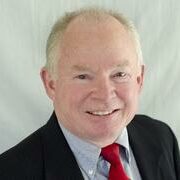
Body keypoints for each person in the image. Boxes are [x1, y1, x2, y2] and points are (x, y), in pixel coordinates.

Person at [0, 7, 179, 180]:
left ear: (139, 79)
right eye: (83, 76)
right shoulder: (9, 172)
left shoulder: (161, 138)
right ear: (51, 84)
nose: (105, 95)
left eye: (119, 74)